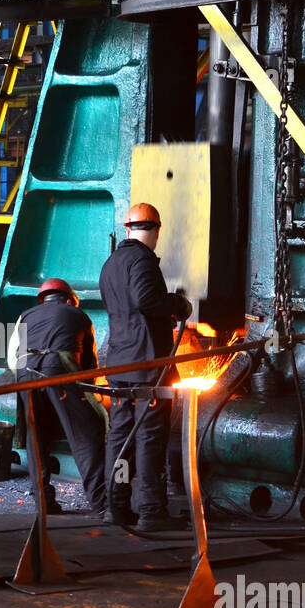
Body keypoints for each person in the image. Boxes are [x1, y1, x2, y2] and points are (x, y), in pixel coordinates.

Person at [99, 202, 192, 532]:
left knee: (120, 438)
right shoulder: (142, 259)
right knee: (150, 437)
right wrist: (177, 304)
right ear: (155, 230)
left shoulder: (111, 263)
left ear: (127, 228)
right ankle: (152, 511)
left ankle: (117, 505)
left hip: (120, 365)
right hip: (148, 364)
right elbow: (144, 301)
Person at [9, 278, 108, 516]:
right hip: (59, 367)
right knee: (86, 435)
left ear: (44, 298)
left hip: (25, 372)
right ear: (69, 298)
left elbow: (13, 358)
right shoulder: (78, 315)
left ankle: (43, 502)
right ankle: (102, 503)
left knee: (37, 438)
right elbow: (88, 367)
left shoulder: (25, 315)